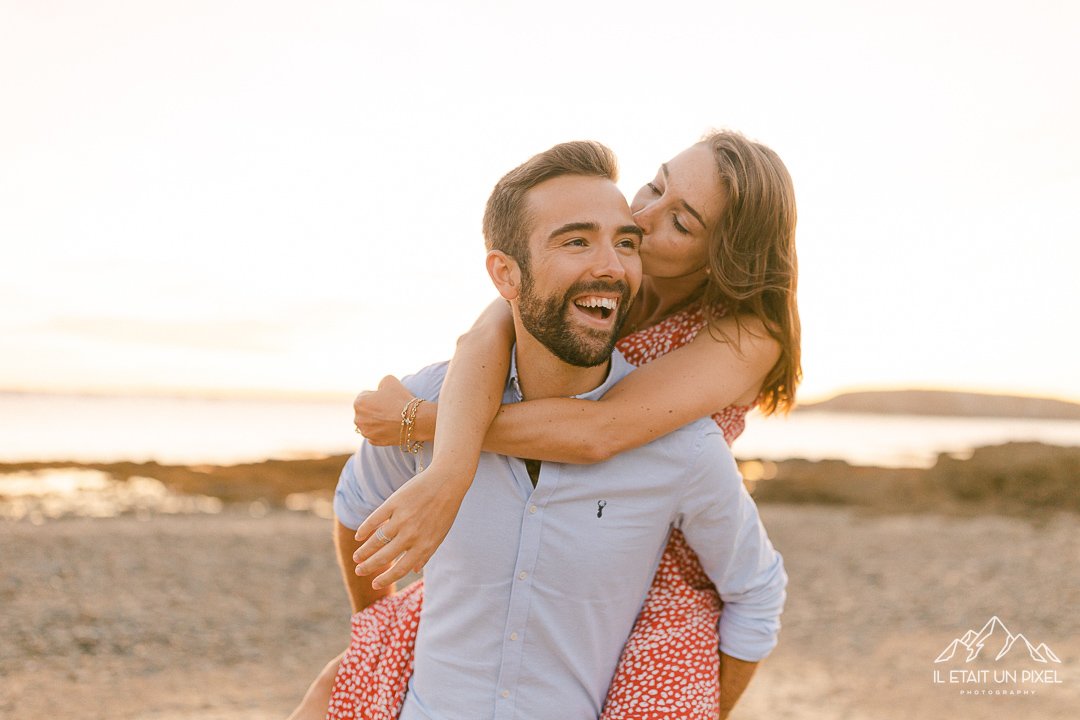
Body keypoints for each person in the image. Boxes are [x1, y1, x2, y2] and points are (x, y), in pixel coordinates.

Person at [290, 131, 800, 720]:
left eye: (681, 222)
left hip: (666, 561)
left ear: (724, 257)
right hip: (550, 532)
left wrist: (425, 424)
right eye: (655, 185)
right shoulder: (596, 278)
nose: (643, 212)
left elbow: (599, 430)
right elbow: (484, 337)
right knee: (354, 675)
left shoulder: (744, 336)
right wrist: (448, 465)